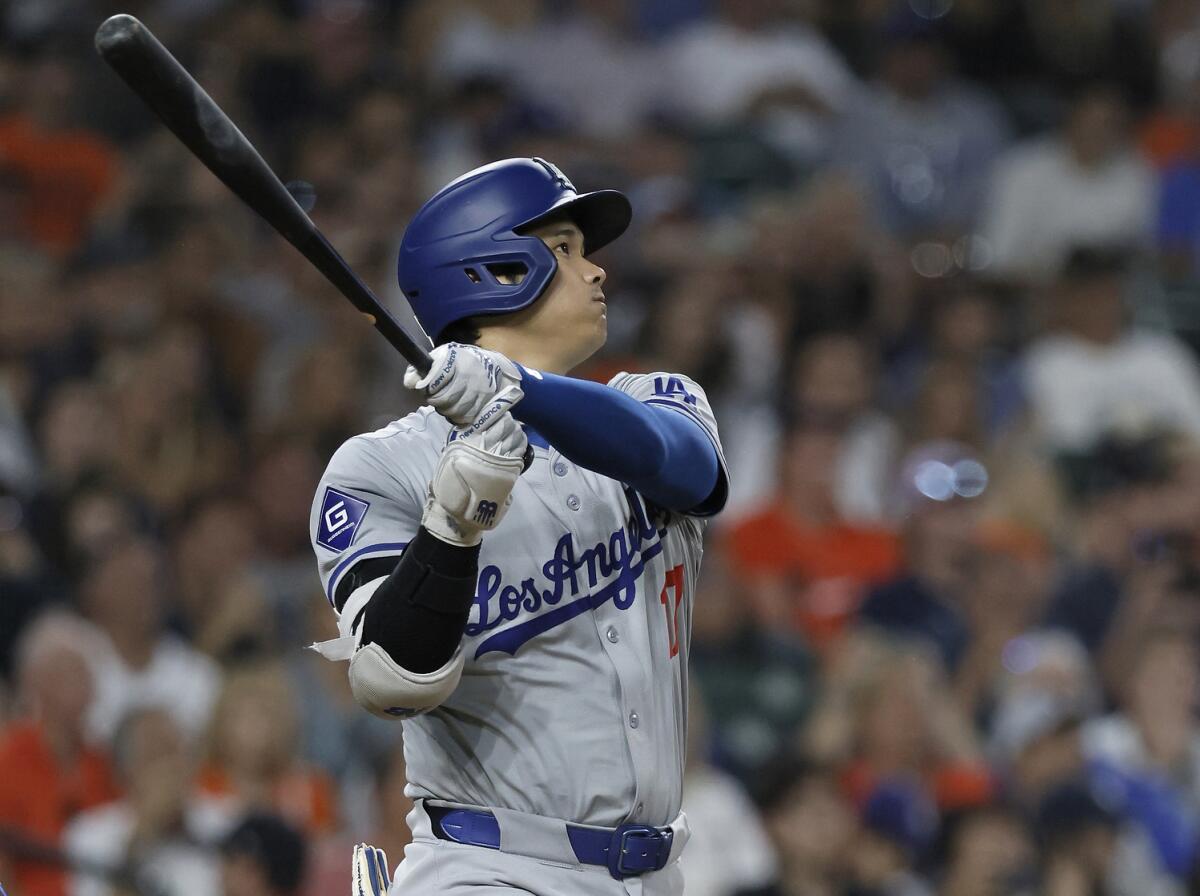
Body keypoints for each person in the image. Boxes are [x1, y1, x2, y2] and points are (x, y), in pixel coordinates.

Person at [309, 157, 727, 895]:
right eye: (565, 249)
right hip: (491, 870)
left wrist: (516, 388)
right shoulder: (382, 466)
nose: (596, 272)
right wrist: (453, 524)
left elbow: (682, 465)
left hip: (659, 874)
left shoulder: (652, 400)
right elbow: (391, 682)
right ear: (495, 270)